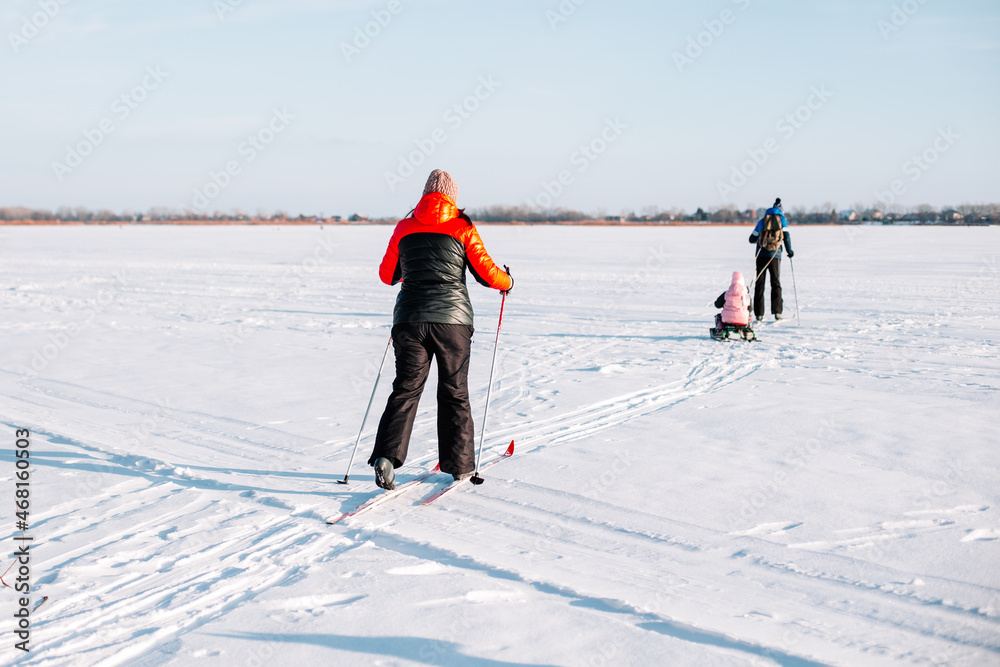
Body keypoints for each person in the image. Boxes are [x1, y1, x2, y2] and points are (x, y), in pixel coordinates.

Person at [368, 169, 513, 490]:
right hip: (454, 323)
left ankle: (386, 458)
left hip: (409, 320)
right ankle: (460, 466)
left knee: (405, 388)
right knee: (454, 391)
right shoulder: (462, 227)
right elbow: (487, 274)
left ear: (424, 195)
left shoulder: (405, 227)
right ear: (453, 197)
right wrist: (509, 281)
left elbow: (387, 275)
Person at [748, 197, 794, 321]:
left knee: (760, 283)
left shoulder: (762, 221)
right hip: (775, 256)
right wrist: (789, 251)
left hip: (761, 255)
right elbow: (787, 237)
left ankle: (759, 314)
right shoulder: (782, 221)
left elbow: (751, 239)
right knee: (775, 282)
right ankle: (777, 312)